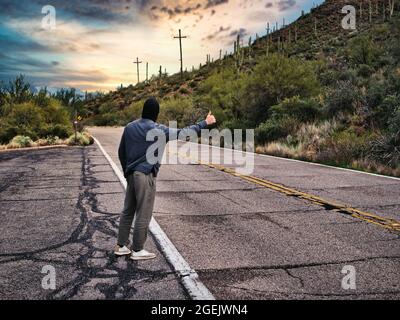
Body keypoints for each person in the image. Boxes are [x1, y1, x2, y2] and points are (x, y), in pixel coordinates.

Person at [115, 97, 217, 260]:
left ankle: (121, 246)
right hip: (145, 175)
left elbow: (121, 152)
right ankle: (138, 249)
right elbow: (185, 133)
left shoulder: (129, 128)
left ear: (143, 110)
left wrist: (127, 172)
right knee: (144, 212)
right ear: (156, 113)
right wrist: (205, 122)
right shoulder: (159, 130)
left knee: (128, 210)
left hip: (132, 174)